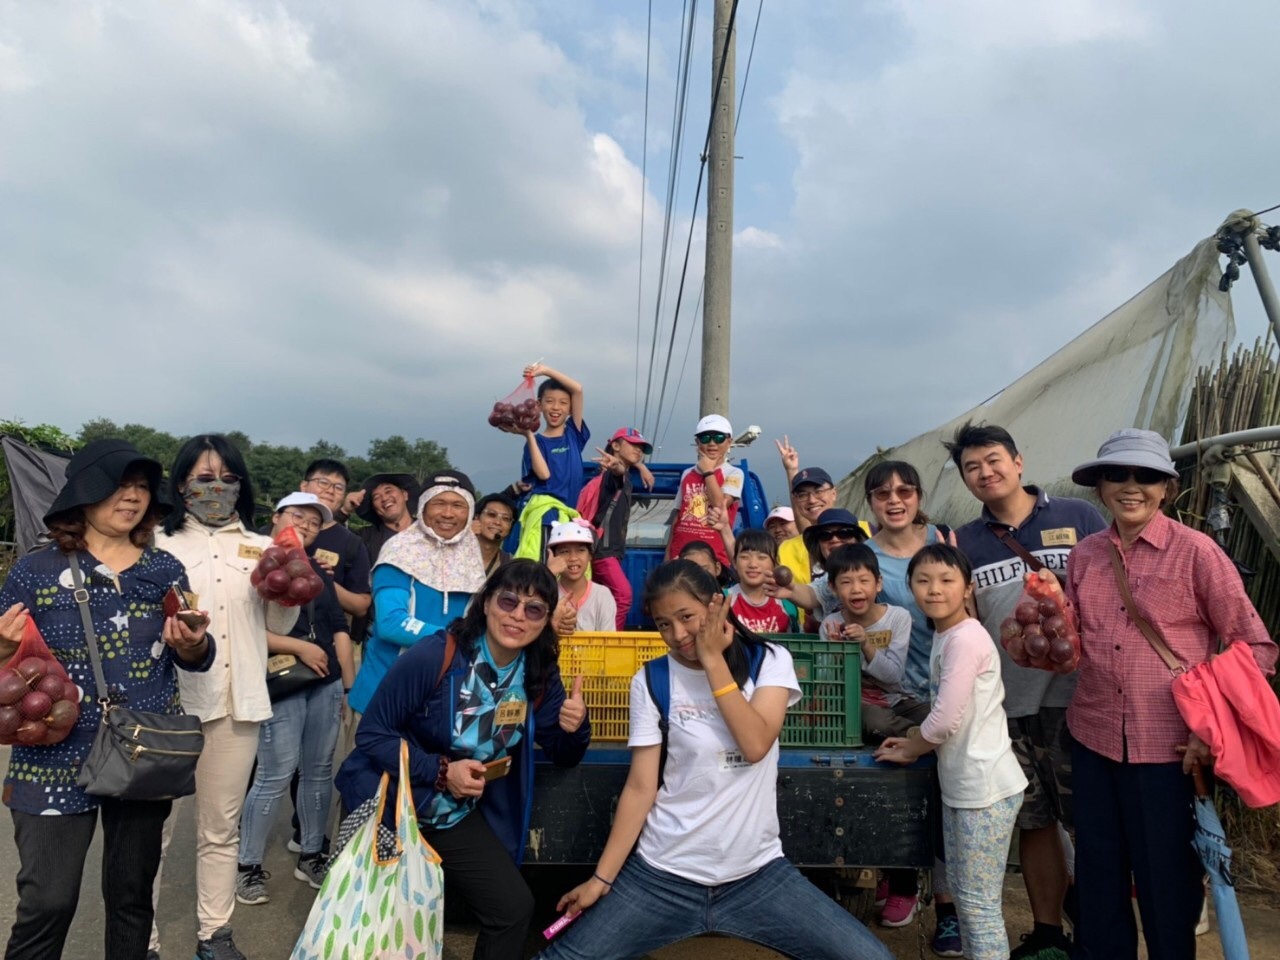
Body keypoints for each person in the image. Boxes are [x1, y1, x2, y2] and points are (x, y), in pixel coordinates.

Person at [536, 560, 893, 960]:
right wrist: (601, 879)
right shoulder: (651, 680)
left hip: (757, 876)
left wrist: (713, 661)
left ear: (717, 605)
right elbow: (640, 788)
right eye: (664, 624)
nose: (677, 634)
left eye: (686, 617)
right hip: (661, 874)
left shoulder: (769, 660)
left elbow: (755, 744)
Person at [1048, 429, 1276, 960]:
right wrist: (1042, 635)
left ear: (1167, 488)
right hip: (1094, 737)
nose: (1132, 487)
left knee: (1167, 882)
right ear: (1100, 485)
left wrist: (1210, 730)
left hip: (1171, 751)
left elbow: (1256, 646)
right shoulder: (1084, 556)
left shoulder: (1197, 553)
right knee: (1099, 876)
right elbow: (1076, 640)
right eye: (1118, 474)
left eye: (1147, 476)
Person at [0, 439, 215, 960]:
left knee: (131, 897)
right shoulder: (35, 570)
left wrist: (193, 643)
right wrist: (4, 648)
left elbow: (195, 655)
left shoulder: (164, 569)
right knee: (47, 900)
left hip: (143, 749)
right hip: (51, 753)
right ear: (84, 493)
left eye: (142, 487)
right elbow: (7, 659)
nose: (133, 496)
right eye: (120, 485)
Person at [336, 560, 591, 960]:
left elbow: (564, 754)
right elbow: (373, 734)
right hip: (395, 805)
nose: (518, 616)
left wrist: (576, 727)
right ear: (486, 603)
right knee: (383, 922)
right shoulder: (437, 654)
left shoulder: (538, 672)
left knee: (511, 908)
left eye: (534, 609)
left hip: (452, 816)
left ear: (545, 620)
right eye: (508, 601)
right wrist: (440, 771)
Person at [944, 421, 1107, 959]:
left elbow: (1111, 591)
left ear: (1018, 461)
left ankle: (1100, 931)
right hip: (1006, 705)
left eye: (993, 460)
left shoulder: (1078, 517)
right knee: (1034, 822)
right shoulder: (965, 541)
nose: (985, 472)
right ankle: (1047, 933)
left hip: (1078, 700)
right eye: (972, 467)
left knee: (1089, 823)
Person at [152, 434, 298, 960]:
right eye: (204, 478)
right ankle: (142, 940)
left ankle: (214, 934)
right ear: (181, 484)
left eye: (228, 479)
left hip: (237, 704)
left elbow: (281, 622)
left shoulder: (261, 547)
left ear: (242, 485)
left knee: (220, 829)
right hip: (170, 707)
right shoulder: (156, 545)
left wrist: (290, 582)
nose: (216, 488)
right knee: (154, 831)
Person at [876, 544, 1027, 960]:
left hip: (985, 788)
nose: (935, 589)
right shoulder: (949, 634)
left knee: (978, 907)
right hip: (967, 784)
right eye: (923, 580)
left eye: (947, 580)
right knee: (965, 897)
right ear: (910, 587)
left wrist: (912, 747)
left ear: (967, 588)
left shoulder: (965, 639)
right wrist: (913, 739)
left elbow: (944, 721)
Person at [235, 494, 355, 906]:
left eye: (315, 522)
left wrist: (347, 686)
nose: (305, 525)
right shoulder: (254, 564)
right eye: (298, 516)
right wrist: (299, 647)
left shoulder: (317, 570)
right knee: (275, 773)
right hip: (282, 682)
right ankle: (248, 865)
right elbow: (241, 628)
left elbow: (338, 627)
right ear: (276, 517)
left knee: (319, 770)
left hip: (325, 683)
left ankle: (311, 853)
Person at [346, 471, 487, 716]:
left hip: (440, 698)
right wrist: (458, 640)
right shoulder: (400, 550)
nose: (448, 513)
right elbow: (391, 624)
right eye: (439, 503)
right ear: (422, 508)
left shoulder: (471, 554)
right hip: (386, 695)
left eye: (458, 505)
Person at [818, 543, 928, 740]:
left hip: (896, 701)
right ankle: (915, 735)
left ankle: (921, 733)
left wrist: (865, 644)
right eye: (846, 582)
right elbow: (827, 685)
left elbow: (893, 675)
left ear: (878, 583)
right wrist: (837, 654)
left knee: (931, 713)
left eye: (864, 581)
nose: (856, 589)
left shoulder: (898, 617)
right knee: (874, 719)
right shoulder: (831, 624)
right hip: (855, 704)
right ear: (833, 588)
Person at [586, 427, 655, 629]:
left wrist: (640, 466)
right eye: (632, 444)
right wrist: (618, 466)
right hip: (603, 552)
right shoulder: (610, 475)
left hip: (605, 552)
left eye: (641, 448)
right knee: (623, 596)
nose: (638, 450)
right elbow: (618, 471)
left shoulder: (625, 477)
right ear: (615, 446)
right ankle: (611, 639)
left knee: (598, 599)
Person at [346, 472, 419, 645]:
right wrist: (344, 511)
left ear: (405, 495)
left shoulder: (429, 532)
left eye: (389, 491)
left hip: (423, 626)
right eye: (376, 497)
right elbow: (333, 540)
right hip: (377, 630)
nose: (384, 498)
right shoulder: (365, 538)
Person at [298, 459, 372, 621]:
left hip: (321, 633)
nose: (330, 491)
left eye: (338, 487)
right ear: (304, 486)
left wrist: (321, 577)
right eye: (323, 482)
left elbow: (361, 607)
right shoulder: (273, 531)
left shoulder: (351, 543)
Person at [665, 415, 743, 567]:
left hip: (715, 559)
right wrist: (667, 555)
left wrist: (708, 471)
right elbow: (677, 516)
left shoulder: (734, 473)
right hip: (680, 555)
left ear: (729, 442)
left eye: (719, 438)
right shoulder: (687, 473)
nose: (712, 443)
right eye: (705, 438)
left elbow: (720, 506)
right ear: (697, 442)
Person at [546, 520, 617, 635]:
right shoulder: (546, 593)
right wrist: (548, 573)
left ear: (590, 555)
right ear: (553, 557)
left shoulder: (602, 595)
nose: (573, 558)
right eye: (565, 551)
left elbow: (608, 640)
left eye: (580, 550)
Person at [726, 529, 796, 633]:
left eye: (762, 557)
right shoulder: (723, 600)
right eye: (745, 557)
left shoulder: (787, 604)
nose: (753, 564)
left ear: (775, 564)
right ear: (734, 562)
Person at [472, 492, 516, 577]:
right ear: (476, 517)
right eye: (491, 515)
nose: (497, 522)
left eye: (505, 518)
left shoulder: (511, 566)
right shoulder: (452, 552)